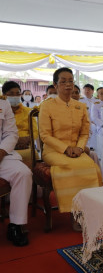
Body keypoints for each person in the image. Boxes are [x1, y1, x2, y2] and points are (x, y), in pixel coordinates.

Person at [38, 68, 102, 227]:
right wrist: (66, 149)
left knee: (91, 166)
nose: (68, 85)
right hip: (54, 151)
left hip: (77, 150)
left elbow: (84, 132)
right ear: (56, 84)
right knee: (75, 165)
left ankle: (88, 210)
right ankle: (75, 213)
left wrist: (80, 148)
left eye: (71, 81)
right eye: (63, 81)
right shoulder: (47, 106)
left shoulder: (80, 106)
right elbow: (45, 135)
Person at [0, 94, 33, 247]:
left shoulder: (3, 103)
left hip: (2, 154)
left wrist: (2, 151)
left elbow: (11, 133)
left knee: (23, 173)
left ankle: (16, 225)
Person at [2, 81, 38, 168]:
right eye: (11, 94)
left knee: (34, 156)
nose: (15, 96)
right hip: (5, 148)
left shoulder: (28, 111)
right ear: (4, 95)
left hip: (26, 146)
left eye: (17, 93)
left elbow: (35, 131)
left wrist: (27, 140)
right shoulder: (1, 112)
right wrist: (13, 142)